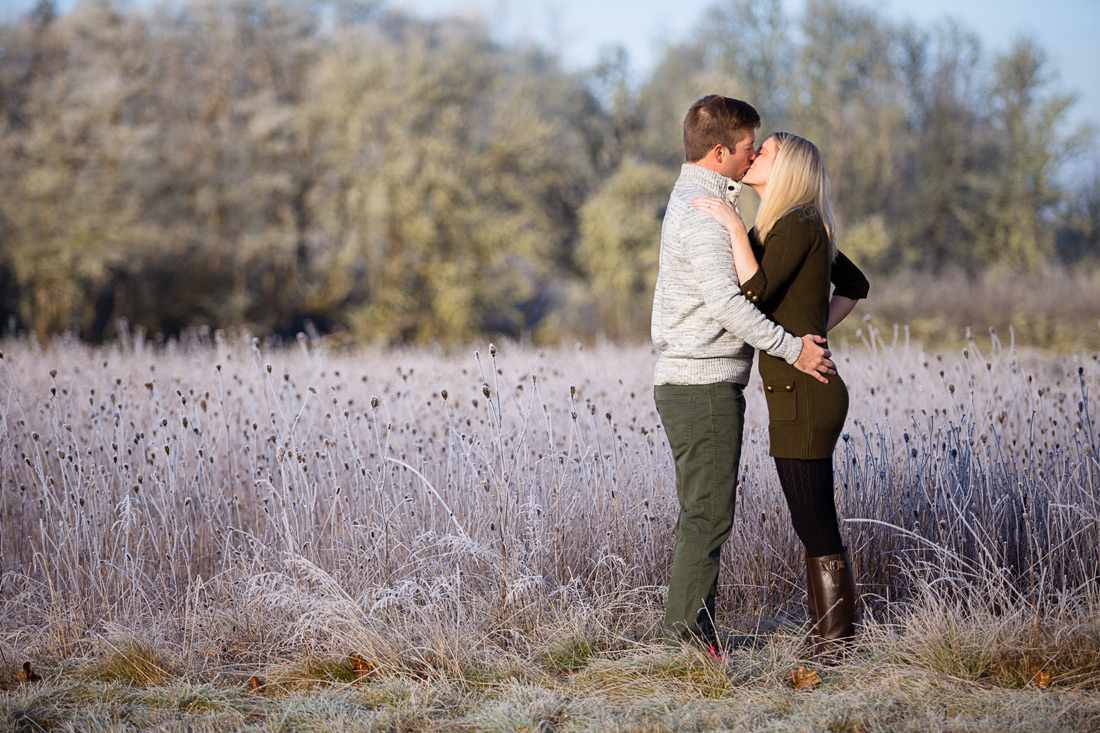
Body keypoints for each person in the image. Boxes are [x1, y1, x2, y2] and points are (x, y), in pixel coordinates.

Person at [652, 95, 835, 654]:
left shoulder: (702, 202)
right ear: (720, 151)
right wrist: (792, 348)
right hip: (703, 384)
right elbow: (729, 306)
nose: (755, 154)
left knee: (703, 512)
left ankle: (690, 633)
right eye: (750, 147)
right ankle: (686, 642)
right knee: (708, 515)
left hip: (697, 380)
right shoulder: (704, 215)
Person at [692, 131, 870, 659]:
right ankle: (835, 638)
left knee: (813, 519)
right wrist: (811, 333)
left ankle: (835, 645)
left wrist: (729, 226)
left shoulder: (795, 223)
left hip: (805, 395)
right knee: (810, 516)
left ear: (786, 167)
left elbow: (756, 294)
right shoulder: (796, 224)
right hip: (801, 388)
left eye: (763, 151)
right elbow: (856, 284)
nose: (753, 156)